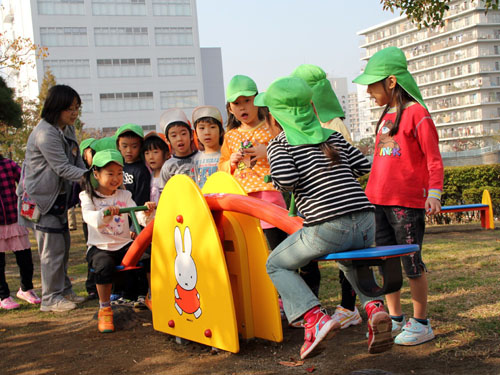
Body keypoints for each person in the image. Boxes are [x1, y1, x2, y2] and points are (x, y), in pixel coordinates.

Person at [259, 76, 394, 359]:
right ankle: (375, 308)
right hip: (366, 219)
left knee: (276, 264)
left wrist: (275, 176)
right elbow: (361, 164)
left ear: (275, 115)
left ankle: (313, 317)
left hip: (328, 225)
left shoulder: (279, 143)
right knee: (349, 261)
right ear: (310, 107)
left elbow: (287, 178)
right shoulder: (332, 136)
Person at [353, 46, 443, 346]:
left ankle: (421, 323)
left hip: (406, 203)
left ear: (391, 82)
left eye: (372, 84)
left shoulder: (417, 113)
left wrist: (434, 193)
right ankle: (395, 318)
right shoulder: (385, 116)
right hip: (377, 200)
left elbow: (433, 158)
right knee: (385, 261)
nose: (368, 91)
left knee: (411, 263)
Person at [292, 64, 360, 329]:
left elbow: (349, 166)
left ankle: (348, 307)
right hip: (311, 206)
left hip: (338, 206)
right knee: (308, 258)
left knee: (347, 258)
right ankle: (312, 307)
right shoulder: (302, 124)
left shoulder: (333, 124)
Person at [17, 84, 88, 312]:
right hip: (41, 200)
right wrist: (92, 177)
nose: (74, 113)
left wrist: (88, 173)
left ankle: (64, 290)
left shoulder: (67, 129)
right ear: (56, 108)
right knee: (51, 250)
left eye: (77, 108)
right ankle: (50, 299)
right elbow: (62, 168)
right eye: (70, 108)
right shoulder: (44, 133)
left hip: (59, 198)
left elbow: (76, 161)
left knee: (64, 246)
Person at [80, 149, 155, 332]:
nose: (116, 178)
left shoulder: (124, 195)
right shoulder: (87, 196)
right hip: (101, 246)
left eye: (120, 173)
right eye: (110, 173)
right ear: (96, 174)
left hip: (123, 244)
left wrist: (146, 211)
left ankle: (152, 295)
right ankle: (104, 308)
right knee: (103, 265)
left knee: (150, 255)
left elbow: (138, 216)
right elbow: (90, 218)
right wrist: (105, 214)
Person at [218, 75, 287, 251]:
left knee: (277, 245)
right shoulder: (230, 136)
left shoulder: (272, 126)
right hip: (242, 198)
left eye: (247, 100)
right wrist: (231, 163)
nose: (243, 107)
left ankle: (281, 275)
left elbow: (289, 152)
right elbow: (221, 166)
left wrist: (268, 151)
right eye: (237, 103)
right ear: (230, 109)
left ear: (257, 101)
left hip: (269, 192)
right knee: (250, 247)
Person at [0, 154, 41, 309]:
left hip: (15, 220)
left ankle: (26, 289)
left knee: (25, 259)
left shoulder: (8, 164)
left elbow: (26, 182)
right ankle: (3, 296)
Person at [159, 108, 198, 189]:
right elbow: (165, 194)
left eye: (183, 133)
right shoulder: (167, 166)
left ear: (191, 135)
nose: (179, 138)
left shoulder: (202, 158)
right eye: (174, 136)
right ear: (167, 140)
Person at [191, 105, 224, 188]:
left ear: (220, 132)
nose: (207, 132)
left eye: (212, 127)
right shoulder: (195, 159)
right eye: (201, 128)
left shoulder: (227, 155)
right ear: (196, 134)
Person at [143, 132, 170, 204]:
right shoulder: (149, 175)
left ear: (167, 154)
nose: (151, 157)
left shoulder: (169, 175)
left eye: (155, 152)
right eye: (147, 153)